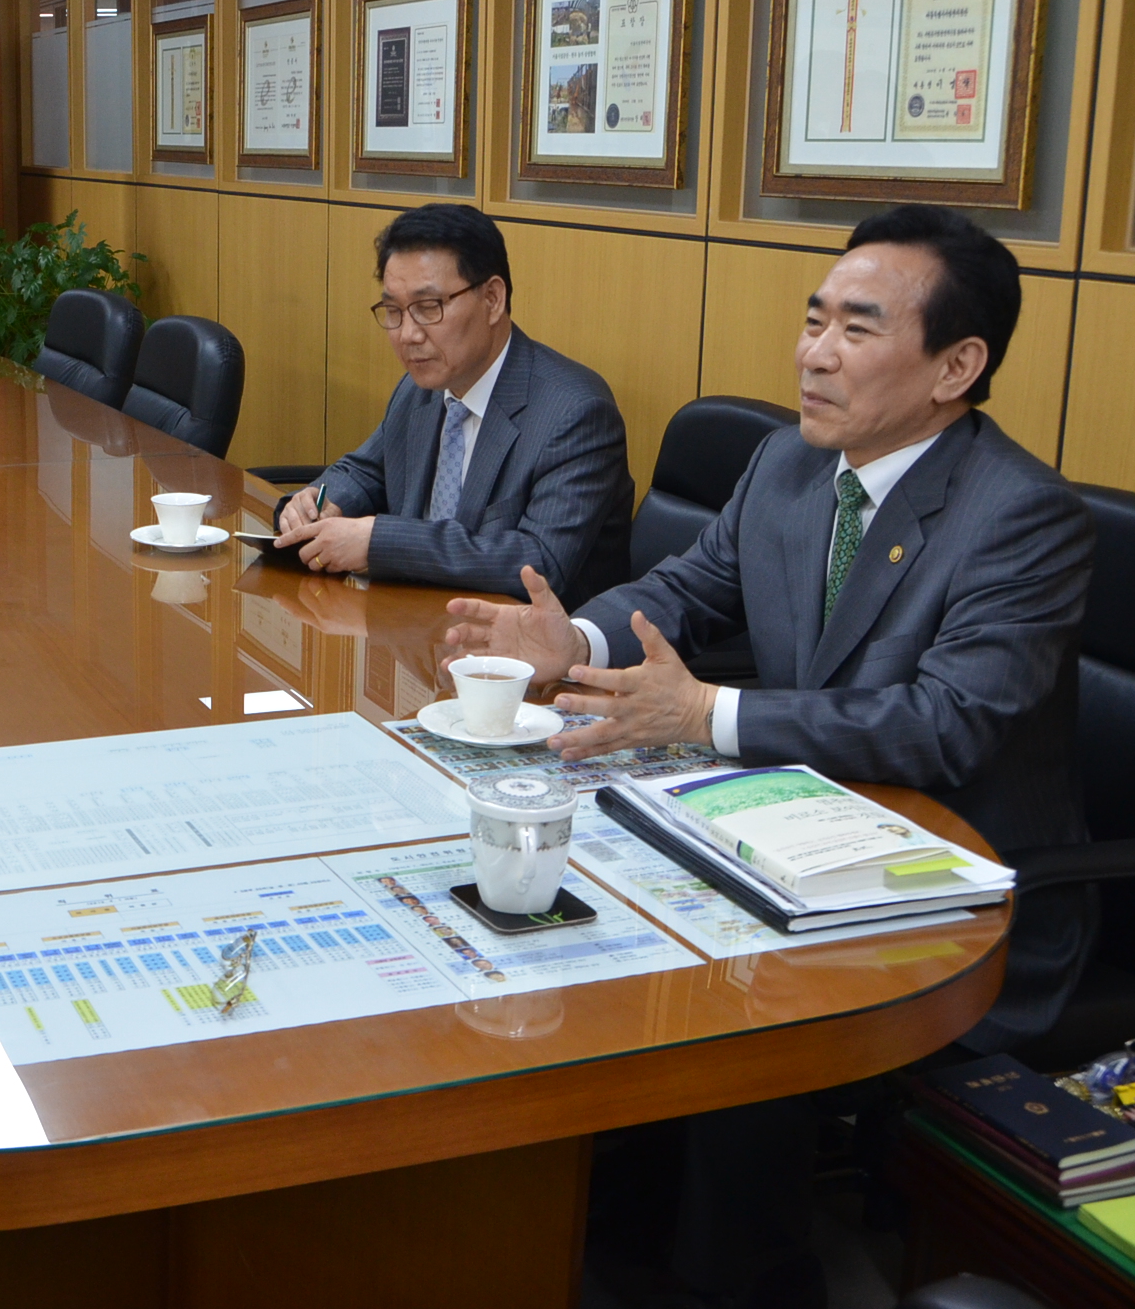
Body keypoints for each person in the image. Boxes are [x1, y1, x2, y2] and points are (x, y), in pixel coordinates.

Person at [444, 205, 1093, 1309]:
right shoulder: (787, 467)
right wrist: (580, 640)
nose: (812, 353)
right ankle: (607, 1239)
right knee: (577, 934)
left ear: (957, 365)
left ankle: (736, 1280)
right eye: (811, 321)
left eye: (853, 328)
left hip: (946, 892)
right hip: (785, 822)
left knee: (725, 1024)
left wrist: (707, 715)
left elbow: (941, 725)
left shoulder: (1021, 518)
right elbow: (688, 589)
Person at [274, 204, 633, 605]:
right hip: (419, 629)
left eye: (429, 308)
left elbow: (539, 561)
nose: (408, 334)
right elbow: (365, 472)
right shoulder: (421, 388)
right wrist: (316, 502)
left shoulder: (575, 413)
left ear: (493, 299)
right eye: (393, 311)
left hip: (526, 655)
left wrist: (379, 542)